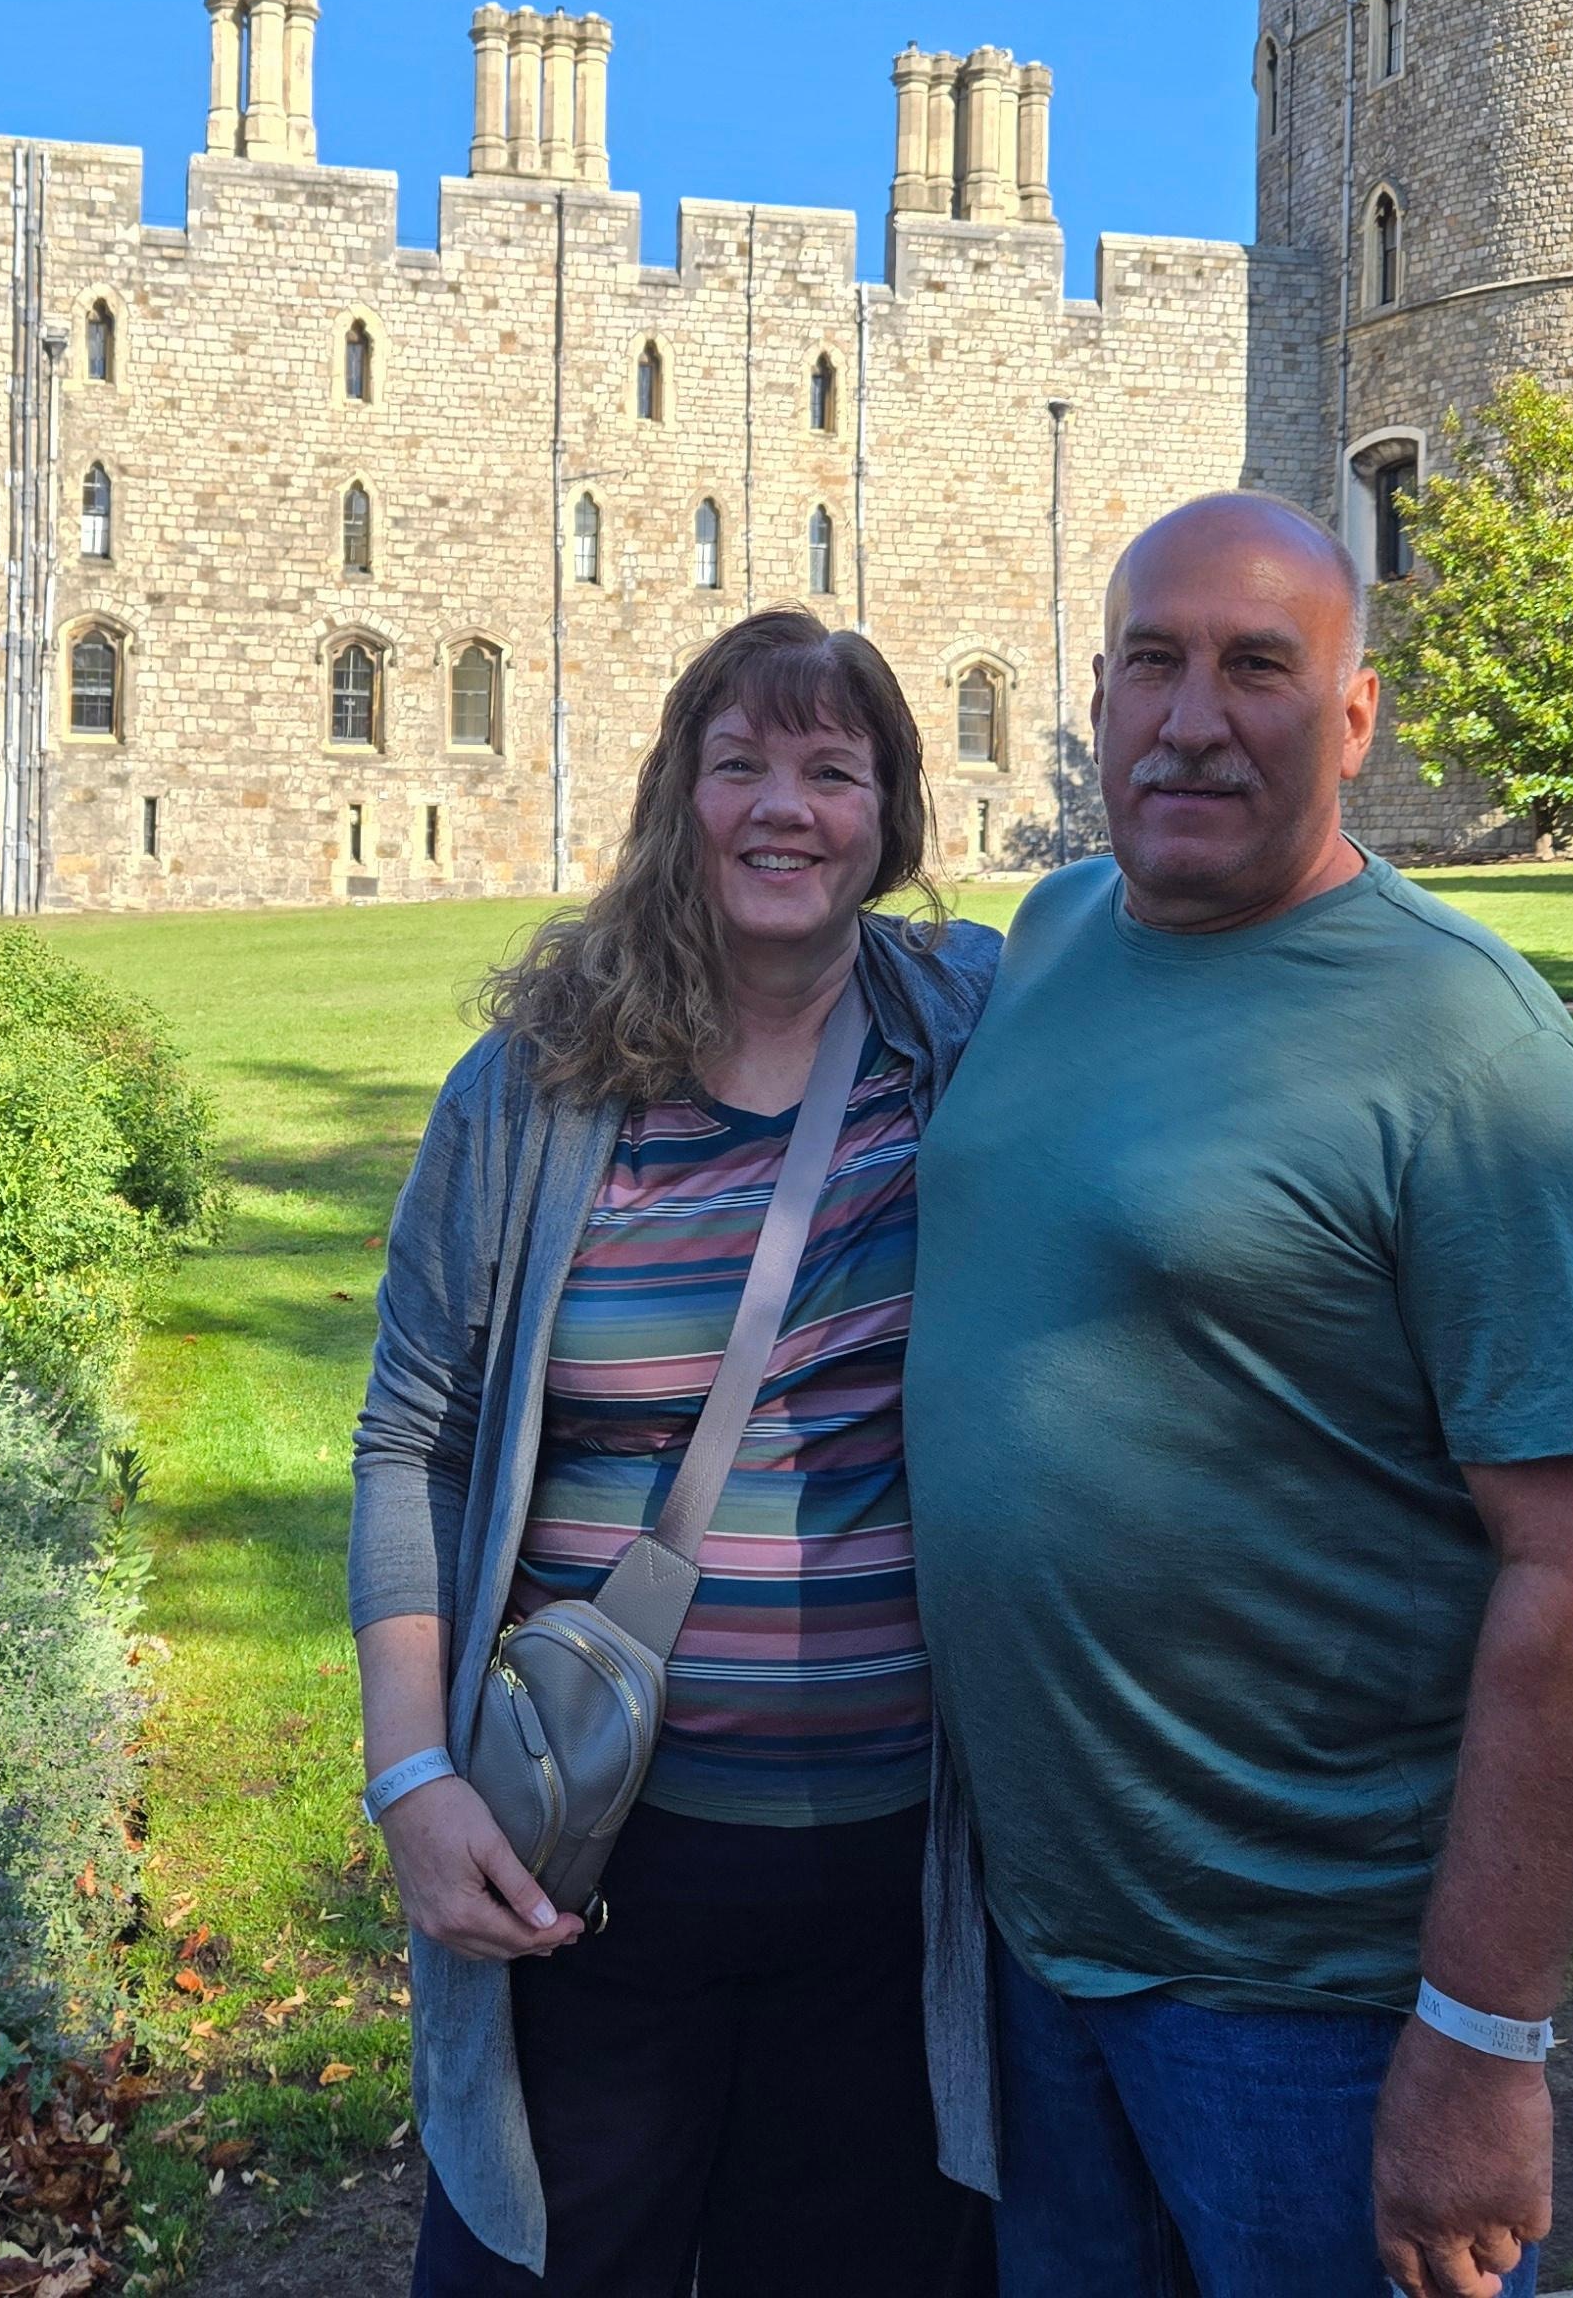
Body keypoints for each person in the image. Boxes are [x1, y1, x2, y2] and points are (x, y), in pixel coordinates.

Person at [906, 491, 1573, 2298]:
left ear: (1353, 717)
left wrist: (1487, 2040)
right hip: (1039, 1945)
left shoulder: (1470, 1047)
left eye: (1259, 667)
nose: (1191, 718)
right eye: (1150, 664)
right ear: (1094, 700)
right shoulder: (1061, 929)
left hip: (1305, 1997)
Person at [348, 608, 1004, 2296]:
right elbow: (411, 1438)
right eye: (742, 767)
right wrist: (415, 1781)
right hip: (594, 1866)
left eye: (833, 773)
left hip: (888, 1875)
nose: (784, 810)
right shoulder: (535, 1090)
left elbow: (1183, 946)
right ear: (677, 799)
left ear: (893, 820)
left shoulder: (972, 1045)